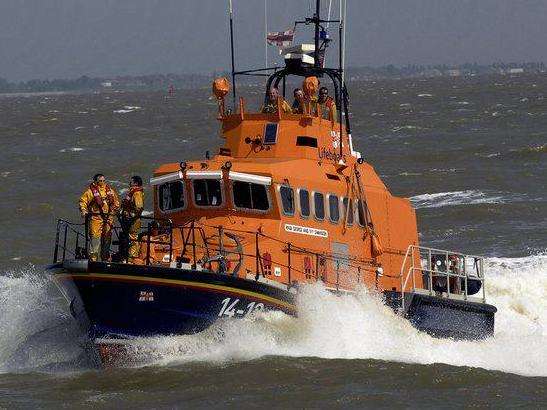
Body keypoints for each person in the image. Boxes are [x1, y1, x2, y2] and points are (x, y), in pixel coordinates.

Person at [79, 174, 120, 261]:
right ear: (95, 182)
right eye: (100, 181)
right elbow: (83, 202)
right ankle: (93, 259)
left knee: (107, 238)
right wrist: (83, 211)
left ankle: (105, 257)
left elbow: (116, 202)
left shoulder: (110, 191)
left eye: (103, 181)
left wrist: (116, 208)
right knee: (95, 238)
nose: (102, 183)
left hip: (108, 218)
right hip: (96, 218)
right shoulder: (90, 192)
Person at [120, 175, 145, 263]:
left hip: (134, 220)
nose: (129, 183)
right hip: (129, 219)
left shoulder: (137, 193)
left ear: (135, 183)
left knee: (133, 237)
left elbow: (139, 207)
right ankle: (129, 256)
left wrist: (131, 215)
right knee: (129, 237)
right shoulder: (133, 192)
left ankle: (132, 257)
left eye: (131, 182)